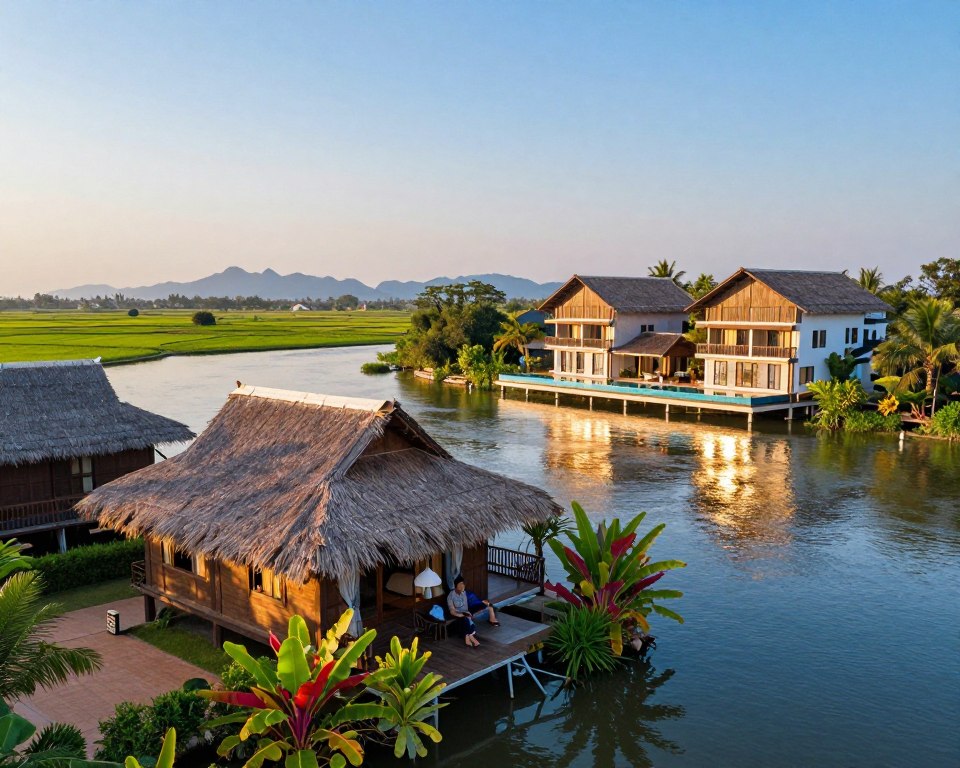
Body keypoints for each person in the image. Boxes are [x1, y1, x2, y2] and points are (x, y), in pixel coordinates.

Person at [447, 576, 499, 647]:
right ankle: (470, 637)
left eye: (463, 584)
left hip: (467, 610)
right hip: (458, 613)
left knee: (487, 604)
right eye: (460, 584)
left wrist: (469, 611)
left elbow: (468, 605)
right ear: (456, 586)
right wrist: (461, 614)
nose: (463, 586)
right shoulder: (451, 596)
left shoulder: (464, 593)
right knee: (465, 619)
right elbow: (452, 611)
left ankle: (469, 636)